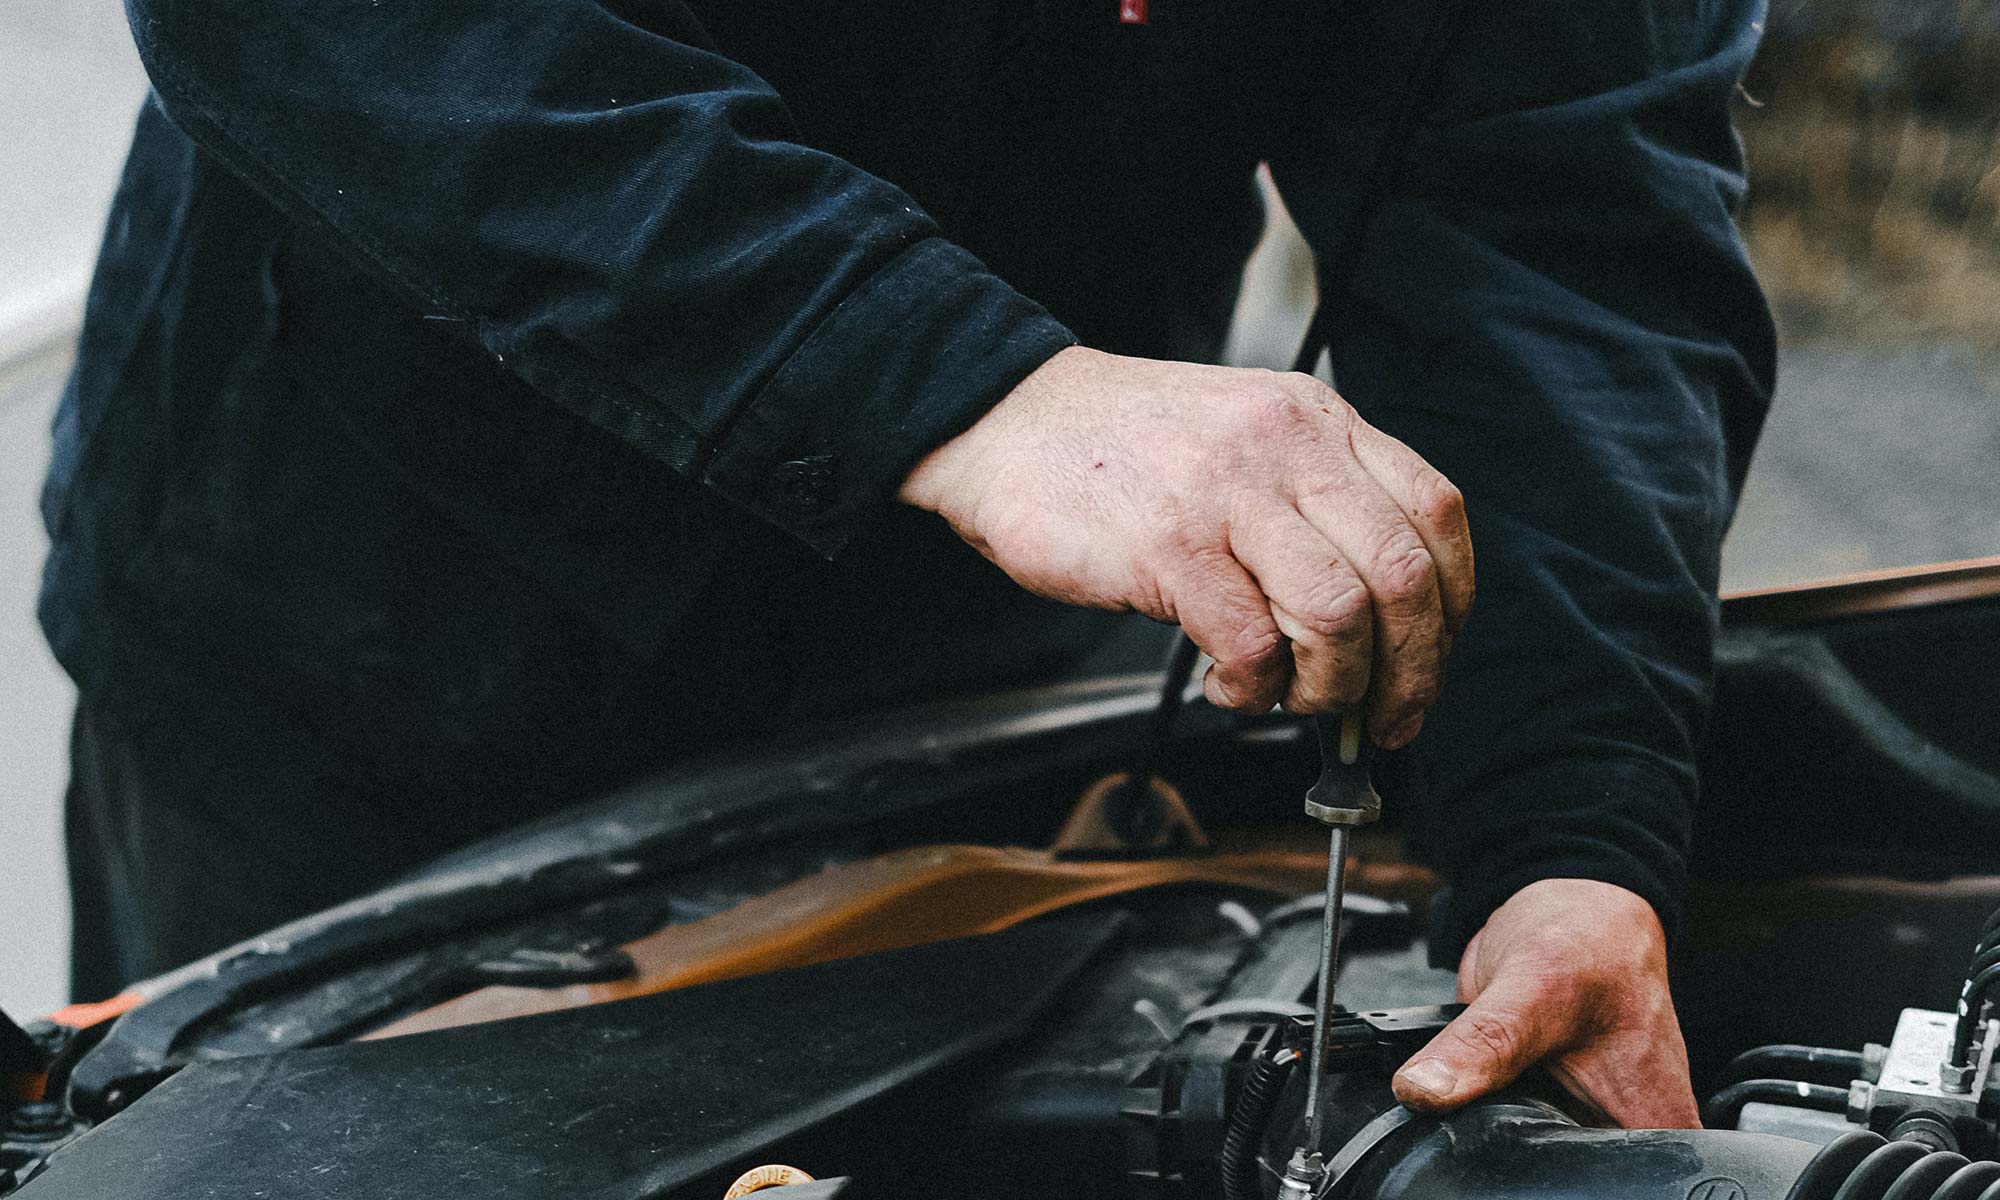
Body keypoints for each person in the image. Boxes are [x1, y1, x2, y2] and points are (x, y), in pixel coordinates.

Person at [40, 0, 1774, 1130]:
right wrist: (949, 381)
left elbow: (1563, 240)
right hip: (357, 615)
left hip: (955, 661)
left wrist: (1568, 836)